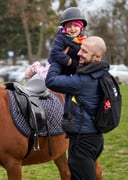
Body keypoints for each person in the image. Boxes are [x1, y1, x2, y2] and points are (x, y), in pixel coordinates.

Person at [45, 36, 108, 179]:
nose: (79, 53)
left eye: (84, 52)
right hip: (94, 138)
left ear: (97, 57)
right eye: (80, 49)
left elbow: (51, 81)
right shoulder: (101, 73)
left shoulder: (83, 81)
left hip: (82, 142)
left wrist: (58, 59)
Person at [25, 7, 87, 79]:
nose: (72, 29)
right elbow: (55, 52)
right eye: (69, 26)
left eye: (76, 26)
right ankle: (35, 68)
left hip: (70, 67)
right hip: (55, 62)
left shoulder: (83, 40)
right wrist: (69, 61)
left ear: (81, 28)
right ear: (65, 28)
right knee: (46, 76)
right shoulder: (61, 38)